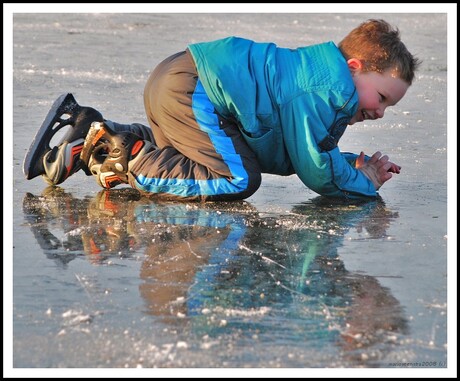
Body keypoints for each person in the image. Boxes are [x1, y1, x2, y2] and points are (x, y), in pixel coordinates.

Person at [23, 19, 420, 201]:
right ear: (354, 69)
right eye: (381, 97)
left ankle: (95, 132)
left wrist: (348, 163)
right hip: (194, 89)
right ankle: (118, 153)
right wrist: (363, 182)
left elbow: (298, 151)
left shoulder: (316, 80)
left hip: (184, 79)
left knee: (202, 158)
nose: (380, 112)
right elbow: (314, 167)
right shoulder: (325, 89)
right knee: (236, 179)